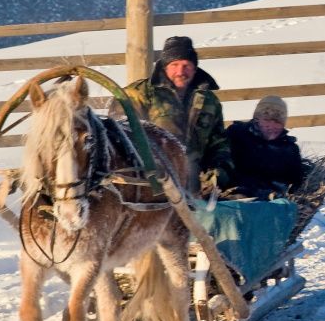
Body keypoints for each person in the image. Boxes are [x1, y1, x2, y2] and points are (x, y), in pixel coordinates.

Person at [122, 35, 233, 193]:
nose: (180, 71)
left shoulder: (209, 101)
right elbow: (121, 138)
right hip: (149, 184)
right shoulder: (138, 94)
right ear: (164, 67)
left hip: (196, 183)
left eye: (186, 65)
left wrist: (217, 173)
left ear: (195, 69)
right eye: (174, 65)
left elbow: (219, 143)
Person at [226, 95, 304, 199]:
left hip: (270, 202)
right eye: (267, 119)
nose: (271, 126)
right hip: (234, 195)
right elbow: (224, 165)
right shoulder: (237, 134)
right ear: (257, 118)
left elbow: (294, 184)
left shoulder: (289, 149)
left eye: (277, 121)